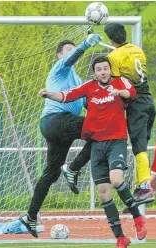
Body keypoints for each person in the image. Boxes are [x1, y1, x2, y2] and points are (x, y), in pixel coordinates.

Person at [39, 56, 146, 248]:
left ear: (109, 70)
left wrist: (119, 91)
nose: (103, 72)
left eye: (105, 68)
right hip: (96, 145)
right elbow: (67, 95)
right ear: (94, 72)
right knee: (104, 194)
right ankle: (120, 238)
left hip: (116, 141)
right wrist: (49, 94)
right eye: (99, 69)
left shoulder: (119, 81)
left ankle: (138, 219)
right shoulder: (88, 87)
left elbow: (132, 93)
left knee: (116, 180)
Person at [19, 33, 101, 237]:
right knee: (101, 131)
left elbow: (88, 104)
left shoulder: (78, 79)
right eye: (68, 49)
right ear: (59, 56)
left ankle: (30, 217)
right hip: (55, 120)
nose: (72, 51)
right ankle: (73, 169)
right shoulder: (59, 69)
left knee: (52, 173)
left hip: (61, 127)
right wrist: (84, 44)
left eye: (74, 48)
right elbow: (72, 57)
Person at [104, 23, 156, 206]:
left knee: (139, 147)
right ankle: (141, 186)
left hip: (137, 105)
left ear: (109, 38)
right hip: (150, 102)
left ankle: (144, 187)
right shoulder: (137, 49)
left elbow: (118, 83)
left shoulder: (112, 56)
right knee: (141, 145)